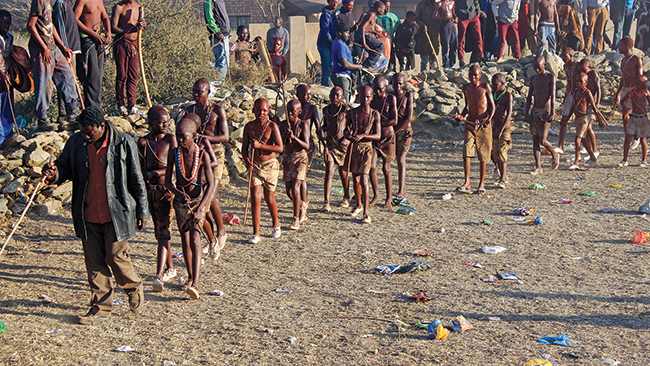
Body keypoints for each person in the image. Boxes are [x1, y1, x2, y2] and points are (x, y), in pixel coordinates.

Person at [42, 106, 149, 325]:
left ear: (102, 126)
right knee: (94, 262)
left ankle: (133, 286)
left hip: (116, 212)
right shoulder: (76, 143)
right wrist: (54, 174)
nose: (86, 136)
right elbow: (65, 168)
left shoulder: (124, 142)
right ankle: (101, 308)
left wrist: (143, 210)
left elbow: (136, 178)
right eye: (82, 132)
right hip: (88, 212)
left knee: (115, 257)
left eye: (90, 132)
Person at [164, 118, 215, 299]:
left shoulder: (202, 156)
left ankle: (196, 284)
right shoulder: (173, 154)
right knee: (185, 240)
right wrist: (177, 194)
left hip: (198, 202)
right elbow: (168, 182)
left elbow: (211, 184)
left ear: (194, 136)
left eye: (183, 137)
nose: (179, 140)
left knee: (195, 239)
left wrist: (201, 208)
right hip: (180, 203)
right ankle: (191, 276)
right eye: (177, 136)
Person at [185, 78, 228, 261]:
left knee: (209, 197)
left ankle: (221, 231)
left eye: (199, 92)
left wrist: (205, 138)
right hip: (198, 156)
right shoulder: (190, 111)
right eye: (194, 91)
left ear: (208, 92)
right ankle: (211, 236)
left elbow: (225, 136)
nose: (195, 95)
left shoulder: (217, 110)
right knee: (202, 196)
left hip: (216, 155)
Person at [137, 106, 177, 292]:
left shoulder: (171, 140)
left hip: (167, 191)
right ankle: (171, 267)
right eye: (160, 122)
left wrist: (155, 172)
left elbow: (176, 166)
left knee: (163, 231)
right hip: (151, 191)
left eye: (166, 121)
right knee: (160, 231)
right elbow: (138, 168)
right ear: (150, 123)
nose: (164, 125)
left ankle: (159, 275)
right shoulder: (143, 143)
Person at [27, 0, 79, 132]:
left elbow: (51, 26)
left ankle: (73, 109)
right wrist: (44, 47)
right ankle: (43, 118)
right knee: (44, 82)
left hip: (53, 47)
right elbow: (30, 26)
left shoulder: (48, 2)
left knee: (66, 74)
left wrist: (62, 46)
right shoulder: (38, 2)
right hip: (42, 49)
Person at [242, 98, 283, 244]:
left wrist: (260, 146)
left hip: (270, 165)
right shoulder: (248, 127)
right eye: (258, 110)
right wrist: (247, 162)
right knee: (255, 197)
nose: (261, 113)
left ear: (268, 111)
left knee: (269, 197)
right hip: (255, 166)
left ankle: (276, 224)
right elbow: (244, 148)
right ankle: (256, 233)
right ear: (253, 110)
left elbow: (279, 148)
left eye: (264, 110)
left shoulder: (272, 126)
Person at [455, 65, 495, 193]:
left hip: (483, 124)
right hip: (470, 123)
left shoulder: (485, 87)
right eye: (471, 75)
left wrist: (489, 119)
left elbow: (492, 107)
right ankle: (467, 182)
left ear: (480, 75)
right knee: (466, 151)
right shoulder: (466, 88)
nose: (473, 78)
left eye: (476, 75)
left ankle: (481, 183)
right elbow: (467, 106)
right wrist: (461, 115)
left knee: (483, 153)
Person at [346, 85, 381, 223]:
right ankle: (359, 204)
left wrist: (363, 135)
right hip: (354, 148)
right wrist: (349, 135)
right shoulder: (352, 113)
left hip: (367, 148)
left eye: (368, 97)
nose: (365, 99)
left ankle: (366, 212)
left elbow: (377, 135)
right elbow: (346, 129)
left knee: (365, 179)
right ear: (358, 96)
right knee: (355, 180)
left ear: (372, 97)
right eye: (362, 96)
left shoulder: (374, 114)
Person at [524, 55, 559, 173]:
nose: (537, 70)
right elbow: (529, 97)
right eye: (535, 67)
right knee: (535, 139)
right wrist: (526, 113)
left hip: (545, 111)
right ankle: (538, 166)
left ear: (544, 65)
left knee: (543, 140)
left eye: (539, 67)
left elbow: (553, 96)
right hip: (535, 110)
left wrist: (552, 113)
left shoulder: (550, 78)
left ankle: (554, 154)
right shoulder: (533, 79)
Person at [73, 0, 111, 109]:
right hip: (87, 40)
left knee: (99, 74)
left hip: (98, 40)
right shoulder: (82, 0)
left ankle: (96, 107)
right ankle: (92, 108)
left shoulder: (99, 1)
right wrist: (92, 33)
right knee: (91, 75)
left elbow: (105, 18)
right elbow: (75, 19)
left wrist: (108, 32)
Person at [111, 0, 145, 116]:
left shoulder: (138, 7)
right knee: (122, 75)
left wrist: (142, 26)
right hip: (122, 43)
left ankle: (132, 104)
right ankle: (121, 105)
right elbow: (113, 27)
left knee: (133, 74)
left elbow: (140, 26)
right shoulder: (119, 7)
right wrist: (129, 30)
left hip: (135, 43)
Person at [565, 72, 606, 169]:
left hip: (585, 119)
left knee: (577, 139)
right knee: (583, 139)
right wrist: (567, 117)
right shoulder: (575, 92)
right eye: (577, 81)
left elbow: (594, 108)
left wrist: (599, 120)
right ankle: (592, 156)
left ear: (586, 82)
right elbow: (572, 107)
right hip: (577, 119)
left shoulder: (587, 93)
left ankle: (576, 163)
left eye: (581, 81)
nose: (578, 83)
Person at [279, 100, 310, 230]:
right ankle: (302, 205)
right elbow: (280, 145)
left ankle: (295, 218)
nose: (290, 113)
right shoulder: (283, 125)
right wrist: (285, 135)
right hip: (287, 159)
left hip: (300, 159)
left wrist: (294, 137)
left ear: (299, 112)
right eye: (288, 111)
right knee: (289, 192)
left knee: (296, 188)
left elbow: (306, 145)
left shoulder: (303, 125)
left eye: (293, 111)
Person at [296, 84, 324, 223]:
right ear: (298, 95)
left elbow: (318, 127)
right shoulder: (294, 107)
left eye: (310, 94)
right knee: (293, 182)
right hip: (294, 148)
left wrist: (324, 144)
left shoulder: (312, 109)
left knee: (302, 178)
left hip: (308, 147)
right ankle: (301, 202)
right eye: (306, 94)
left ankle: (303, 207)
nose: (309, 97)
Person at [321, 86, 351, 211]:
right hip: (331, 145)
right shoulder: (326, 110)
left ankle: (346, 196)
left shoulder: (346, 110)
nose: (335, 97)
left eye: (338, 95)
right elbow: (325, 126)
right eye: (332, 95)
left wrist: (346, 138)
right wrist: (322, 133)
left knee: (343, 172)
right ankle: (326, 202)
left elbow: (351, 126)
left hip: (342, 146)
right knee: (329, 171)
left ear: (342, 97)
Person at [369, 75, 397, 208]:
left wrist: (379, 124)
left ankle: (389, 197)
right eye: (375, 89)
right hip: (375, 138)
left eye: (380, 89)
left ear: (385, 88)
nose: (377, 92)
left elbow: (394, 120)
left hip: (388, 137)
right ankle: (376, 195)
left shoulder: (391, 99)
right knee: (372, 166)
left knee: (386, 168)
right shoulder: (372, 100)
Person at [53, 0, 81, 128]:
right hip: (67, 50)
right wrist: (64, 48)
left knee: (68, 82)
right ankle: (65, 113)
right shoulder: (61, 4)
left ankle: (67, 112)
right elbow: (61, 29)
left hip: (72, 49)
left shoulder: (68, 4)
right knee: (66, 81)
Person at [615, 37, 644, 151]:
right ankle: (629, 138)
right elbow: (622, 79)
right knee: (624, 116)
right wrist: (618, 93)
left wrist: (637, 92)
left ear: (627, 47)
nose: (618, 48)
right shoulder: (623, 61)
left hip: (635, 90)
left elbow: (640, 78)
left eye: (620, 46)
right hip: (625, 90)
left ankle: (636, 138)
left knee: (630, 115)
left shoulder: (637, 60)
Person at [391, 73, 414, 199]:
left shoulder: (408, 96)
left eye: (400, 83)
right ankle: (402, 188)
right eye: (395, 83)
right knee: (392, 159)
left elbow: (408, 118)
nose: (397, 86)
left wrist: (394, 130)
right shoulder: (390, 96)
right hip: (393, 132)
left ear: (403, 84)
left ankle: (401, 189)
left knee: (400, 159)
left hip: (405, 132)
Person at [619, 75, 650, 167]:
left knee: (643, 139)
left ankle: (644, 160)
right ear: (640, 84)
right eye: (645, 82)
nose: (647, 84)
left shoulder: (646, 92)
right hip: (633, 118)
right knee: (628, 138)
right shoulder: (632, 92)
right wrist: (625, 108)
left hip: (643, 118)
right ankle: (625, 160)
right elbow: (622, 101)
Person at [331, 22, 363, 104]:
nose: (348, 35)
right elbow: (344, 64)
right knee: (345, 102)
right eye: (347, 33)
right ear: (340, 33)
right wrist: (357, 66)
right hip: (341, 76)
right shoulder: (339, 44)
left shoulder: (340, 42)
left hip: (343, 75)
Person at [490, 73, 512, 188]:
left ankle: (503, 179)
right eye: (492, 84)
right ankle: (498, 169)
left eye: (495, 84)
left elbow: (508, 115)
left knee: (502, 151)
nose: (492, 86)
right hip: (494, 126)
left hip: (505, 127)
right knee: (492, 151)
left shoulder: (508, 96)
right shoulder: (493, 94)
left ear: (503, 84)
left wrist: (501, 130)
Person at [577, 58, 601, 158]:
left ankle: (595, 150)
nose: (583, 72)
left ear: (589, 68)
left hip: (592, 104)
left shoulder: (594, 74)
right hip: (584, 105)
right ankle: (588, 148)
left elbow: (599, 89)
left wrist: (597, 103)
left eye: (584, 70)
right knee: (584, 128)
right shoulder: (581, 76)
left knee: (589, 126)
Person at [353, 1, 386, 69]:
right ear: (379, 9)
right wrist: (364, 43)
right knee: (380, 45)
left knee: (374, 49)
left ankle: (369, 63)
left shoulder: (374, 16)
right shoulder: (371, 14)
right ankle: (367, 65)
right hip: (361, 35)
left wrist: (374, 32)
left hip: (363, 34)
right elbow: (362, 27)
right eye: (383, 9)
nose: (383, 11)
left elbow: (367, 28)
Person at [557, 47, 578, 153]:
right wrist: (567, 94)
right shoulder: (566, 66)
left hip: (578, 96)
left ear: (571, 55)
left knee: (581, 123)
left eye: (565, 56)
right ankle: (560, 146)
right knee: (563, 121)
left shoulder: (578, 66)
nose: (563, 58)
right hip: (570, 95)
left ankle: (590, 148)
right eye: (562, 56)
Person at [203, 0, 230, 81]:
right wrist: (218, 32)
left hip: (224, 35)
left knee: (225, 63)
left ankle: (221, 84)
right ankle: (219, 85)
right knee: (221, 62)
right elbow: (209, 18)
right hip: (218, 36)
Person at [0, 10, 14, 145]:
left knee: (7, 106)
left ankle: (7, 137)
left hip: (7, 75)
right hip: (1, 74)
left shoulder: (9, 38)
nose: (5, 25)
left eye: (7, 23)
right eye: (2, 22)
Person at [317, 0, 339, 86]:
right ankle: (324, 87)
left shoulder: (334, 14)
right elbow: (325, 33)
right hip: (325, 45)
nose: (335, 4)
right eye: (333, 2)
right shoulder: (325, 15)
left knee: (332, 67)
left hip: (331, 44)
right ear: (328, 2)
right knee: (327, 67)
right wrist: (334, 43)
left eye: (336, 2)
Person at [456, 0, 484, 66]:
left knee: (478, 37)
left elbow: (476, 2)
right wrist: (458, 15)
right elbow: (454, 3)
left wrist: (477, 12)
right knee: (461, 39)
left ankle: (480, 57)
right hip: (462, 16)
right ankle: (461, 59)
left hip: (473, 15)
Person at [414, 0, 440, 70]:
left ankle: (433, 76)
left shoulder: (439, 4)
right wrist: (422, 24)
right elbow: (416, 18)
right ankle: (423, 75)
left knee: (434, 60)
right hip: (424, 35)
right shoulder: (421, 4)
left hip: (435, 34)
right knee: (424, 60)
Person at [433, 0, 458, 68]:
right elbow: (434, 17)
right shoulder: (439, 4)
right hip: (444, 27)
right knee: (445, 46)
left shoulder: (452, 2)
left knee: (454, 46)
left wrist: (456, 18)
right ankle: (446, 64)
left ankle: (452, 64)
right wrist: (444, 19)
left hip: (452, 26)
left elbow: (453, 13)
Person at [377, 0, 400, 70]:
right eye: (386, 7)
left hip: (390, 41)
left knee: (392, 56)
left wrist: (394, 28)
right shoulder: (377, 16)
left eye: (389, 7)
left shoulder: (391, 15)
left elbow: (398, 22)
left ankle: (393, 69)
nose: (388, 9)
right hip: (380, 42)